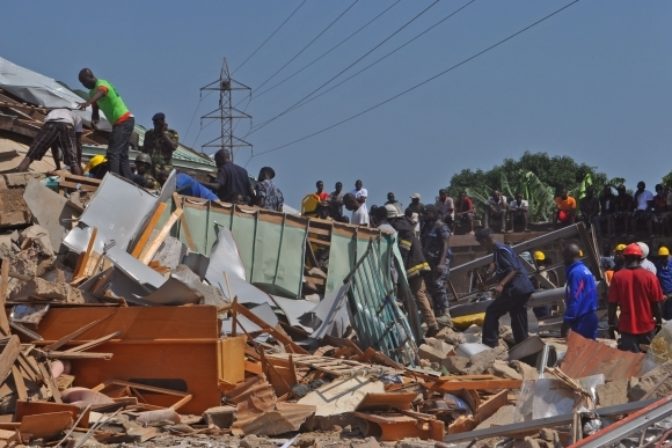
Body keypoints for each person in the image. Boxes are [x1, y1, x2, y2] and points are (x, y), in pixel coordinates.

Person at [387, 205, 442, 336]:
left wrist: (399, 266)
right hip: (418, 265)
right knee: (419, 293)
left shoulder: (402, 229)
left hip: (413, 266)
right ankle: (426, 323)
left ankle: (432, 324)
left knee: (418, 294)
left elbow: (404, 251)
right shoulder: (405, 225)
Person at [475, 228, 535, 348]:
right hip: (523, 288)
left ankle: (490, 344)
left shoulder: (501, 250)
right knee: (518, 316)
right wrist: (487, 283)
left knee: (492, 311)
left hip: (516, 288)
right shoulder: (500, 250)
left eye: (480, 242)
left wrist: (501, 285)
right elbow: (503, 272)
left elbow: (513, 269)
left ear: (486, 240)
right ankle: (523, 346)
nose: (481, 246)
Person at [77, 68, 134, 178]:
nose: (84, 85)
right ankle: (128, 179)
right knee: (122, 154)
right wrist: (94, 120)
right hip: (120, 123)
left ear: (90, 77)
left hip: (124, 120)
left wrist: (87, 102)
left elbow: (102, 92)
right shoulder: (92, 93)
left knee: (113, 153)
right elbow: (95, 110)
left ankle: (114, 179)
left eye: (84, 82)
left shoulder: (102, 84)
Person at [608, 243, 664, 353]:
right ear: (640, 257)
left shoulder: (618, 277)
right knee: (648, 360)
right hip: (647, 327)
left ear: (625, 258)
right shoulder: (650, 277)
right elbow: (656, 302)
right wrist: (658, 322)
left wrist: (611, 323)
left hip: (626, 328)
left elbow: (612, 303)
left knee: (630, 362)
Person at [16, 108, 83, 175]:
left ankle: (16, 177)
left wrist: (58, 167)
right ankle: (79, 183)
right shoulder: (76, 116)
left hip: (49, 124)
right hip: (66, 125)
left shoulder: (53, 111)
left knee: (30, 156)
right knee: (73, 162)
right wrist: (78, 164)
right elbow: (78, 142)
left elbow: (54, 147)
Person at [420, 205, 452, 325]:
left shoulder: (441, 226)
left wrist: (441, 263)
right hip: (430, 261)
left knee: (439, 284)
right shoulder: (426, 226)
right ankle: (437, 313)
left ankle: (446, 313)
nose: (425, 215)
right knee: (431, 286)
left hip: (441, 260)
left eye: (427, 213)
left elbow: (445, 244)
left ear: (433, 213)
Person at [561, 243, 599, 340]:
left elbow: (576, 297)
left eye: (564, 257)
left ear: (569, 256)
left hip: (582, 320)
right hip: (589, 316)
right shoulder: (585, 269)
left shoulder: (576, 273)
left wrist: (567, 320)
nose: (563, 260)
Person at [142, 113, 179, 183]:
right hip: (150, 169)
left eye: (158, 123)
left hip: (164, 169)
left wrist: (163, 134)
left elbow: (173, 146)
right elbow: (144, 150)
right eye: (155, 123)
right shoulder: (149, 134)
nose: (156, 126)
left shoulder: (172, 133)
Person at [656, 246, 672, 319]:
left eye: (665, 257)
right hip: (662, 293)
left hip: (671, 293)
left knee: (669, 312)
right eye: (662, 257)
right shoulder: (657, 264)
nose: (664, 258)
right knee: (662, 312)